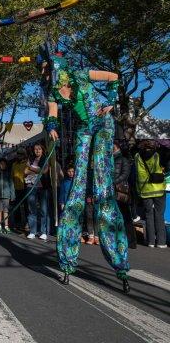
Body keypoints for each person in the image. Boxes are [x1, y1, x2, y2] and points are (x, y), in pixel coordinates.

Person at [44, 49, 130, 291]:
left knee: (103, 187)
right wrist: (51, 127)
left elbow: (113, 76)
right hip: (84, 129)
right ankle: (68, 259)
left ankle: (119, 260)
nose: (53, 75)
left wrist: (111, 103)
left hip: (102, 125)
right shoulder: (53, 92)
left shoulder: (81, 75)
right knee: (77, 188)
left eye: (53, 70)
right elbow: (52, 114)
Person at [135, 140, 167, 248]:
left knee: (149, 216)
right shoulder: (157, 155)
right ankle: (161, 242)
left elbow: (137, 173)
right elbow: (163, 167)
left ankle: (151, 242)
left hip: (145, 190)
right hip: (158, 189)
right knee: (159, 215)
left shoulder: (137, 156)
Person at [113, 142, 136, 249]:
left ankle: (131, 241)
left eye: (112, 146)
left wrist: (113, 181)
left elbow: (125, 175)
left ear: (117, 147)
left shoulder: (123, 159)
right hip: (114, 190)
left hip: (121, 191)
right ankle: (120, 239)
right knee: (117, 215)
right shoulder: (110, 158)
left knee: (126, 215)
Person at [24, 143, 50, 240]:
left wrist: (31, 168)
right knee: (32, 209)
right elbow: (25, 172)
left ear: (42, 150)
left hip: (42, 186)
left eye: (39, 149)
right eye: (35, 149)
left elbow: (44, 171)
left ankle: (43, 231)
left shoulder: (45, 159)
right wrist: (37, 170)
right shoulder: (30, 159)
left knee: (43, 209)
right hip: (31, 186)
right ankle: (32, 231)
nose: (37, 151)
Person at [0, 158, 15, 233]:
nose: (2, 165)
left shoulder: (8, 173)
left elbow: (11, 184)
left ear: (6, 165)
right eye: (1, 164)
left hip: (6, 195)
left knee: (6, 211)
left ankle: (6, 226)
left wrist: (12, 194)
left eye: (4, 164)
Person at [11, 149, 28, 230]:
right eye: (18, 154)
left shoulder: (27, 164)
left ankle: (27, 223)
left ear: (24, 155)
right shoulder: (14, 164)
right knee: (16, 207)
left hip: (25, 188)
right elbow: (12, 176)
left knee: (26, 207)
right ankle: (18, 224)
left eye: (21, 154)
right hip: (16, 188)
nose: (19, 155)